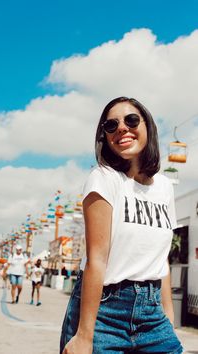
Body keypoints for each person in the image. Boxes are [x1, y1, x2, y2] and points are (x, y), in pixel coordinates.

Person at [60, 97, 183, 354]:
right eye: (111, 125)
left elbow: (162, 260)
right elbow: (97, 259)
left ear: (147, 126)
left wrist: (169, 316)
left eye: (131, 120)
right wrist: (85, 335)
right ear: (104, 136)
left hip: (152, 313)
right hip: (104, 311)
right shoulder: (103, 178)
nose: (122, 128)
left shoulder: (163, 187)